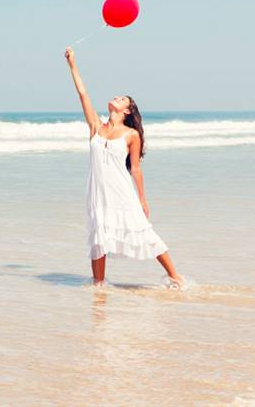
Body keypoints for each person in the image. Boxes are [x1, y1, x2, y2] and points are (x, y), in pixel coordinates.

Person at [64, 46, 184, 289]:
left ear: (127, 110)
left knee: (143, 231)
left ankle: (176, 277)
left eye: (121, 99)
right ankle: (99, 285)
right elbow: (83, 94)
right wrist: (72, 65)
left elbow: (136, 169)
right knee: (99, 235)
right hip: (98, 193)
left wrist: (142, 199)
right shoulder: (96, 127)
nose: (116, 98)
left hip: (122, 192)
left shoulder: (131, 135)